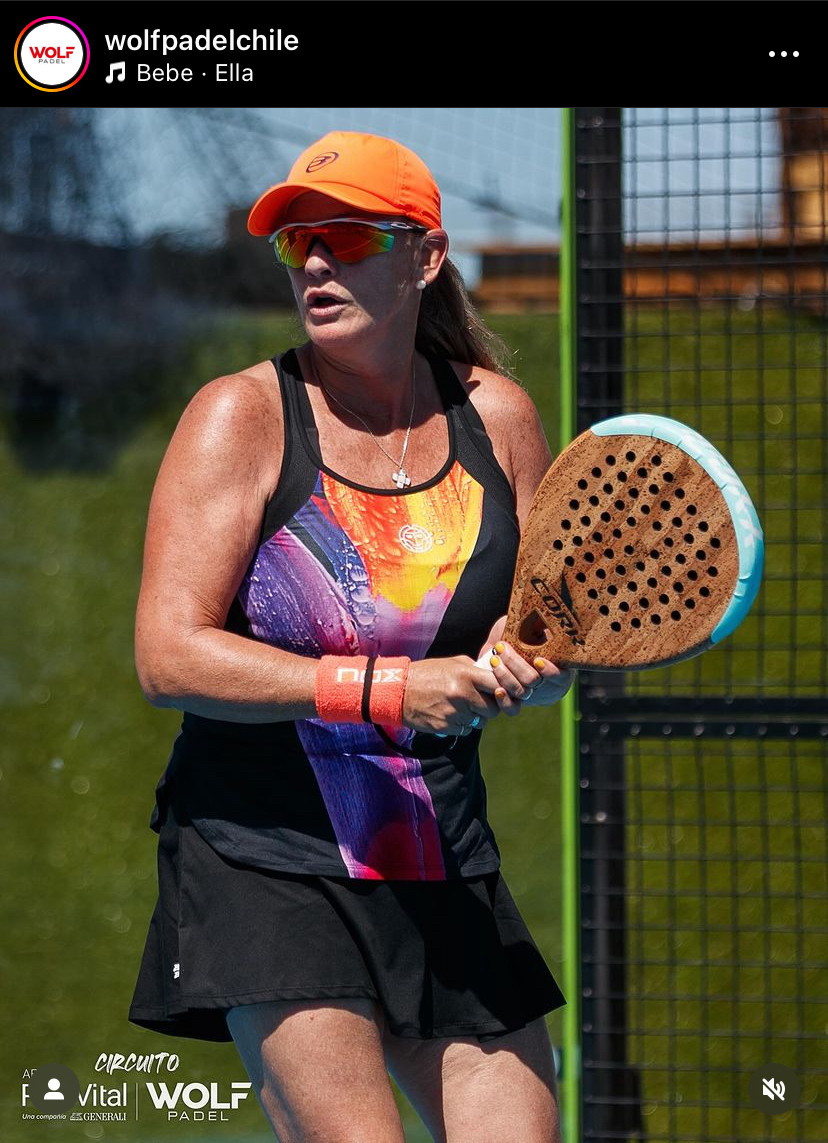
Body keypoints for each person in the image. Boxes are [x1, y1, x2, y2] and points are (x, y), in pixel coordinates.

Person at [129, 130, 573, 1143]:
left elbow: (542, 640)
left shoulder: (499, 417)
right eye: (298, 243)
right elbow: (168, 653)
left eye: (348, 237)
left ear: (426, 255)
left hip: (443, 853)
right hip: (266, 856)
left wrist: (527, 670)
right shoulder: (239, 415)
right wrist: (389, 690)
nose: (317, 262)